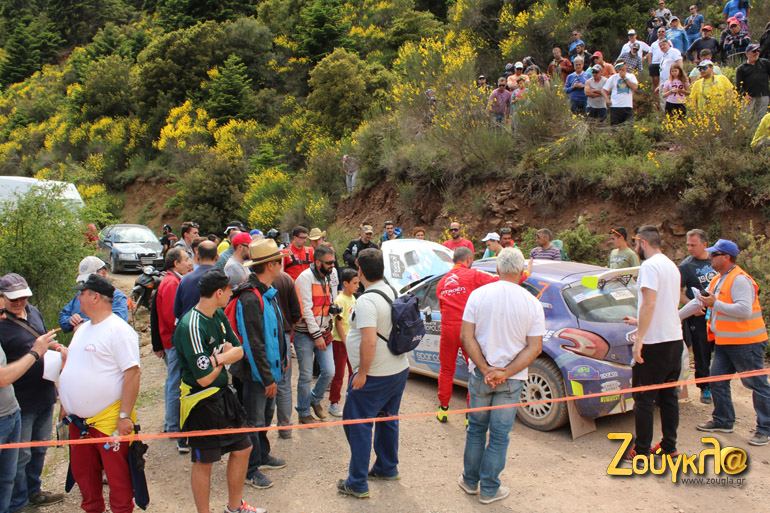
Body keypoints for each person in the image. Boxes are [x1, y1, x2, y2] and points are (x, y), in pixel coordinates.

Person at [173, 269, 265, 513]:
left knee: (243, 447)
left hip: (223, 392)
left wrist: (218, 359)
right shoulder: (191, 325)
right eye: (229, 290)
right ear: (219, 292)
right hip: (200, 401)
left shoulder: (219, 315)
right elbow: (203, 379)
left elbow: (239, 350)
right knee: (204, 461)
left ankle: (234, 507)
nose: (231, 294)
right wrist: (224, 359)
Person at [458, 247, 544, 504]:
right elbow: (535, 347)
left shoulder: (478, 295)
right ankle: (489, 489)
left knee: (476, 430)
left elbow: (466, 336)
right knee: (498, 435)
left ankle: (470, 481)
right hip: (512, 380)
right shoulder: (532, 302)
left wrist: (485, 369)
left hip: (480, 377)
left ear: (497, 269)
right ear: (521, 272)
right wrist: (505, 372)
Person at [58, 274, 141, 513]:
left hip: (109, 421)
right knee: (85, 477)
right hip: (79, 421)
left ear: (95, 296)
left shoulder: (119, 330)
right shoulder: (82, 329)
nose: (78, 297)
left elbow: (133, 373)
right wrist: (66, 402)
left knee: (118, 479)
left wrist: (125, 415)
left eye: (81, 293)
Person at [337, 249, 410, 499]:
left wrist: (362, 373)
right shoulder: (391, 290)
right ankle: (387, 467)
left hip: (375, 374)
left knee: (358, 424)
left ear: (360, 270)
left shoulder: (367, 301)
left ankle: (357, 482)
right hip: (398, 368)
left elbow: (368, 340)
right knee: (388, 419)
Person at [694, 239, 770, 446]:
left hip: (747, 343)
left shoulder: (739, 280)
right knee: (717, 380)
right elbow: (711, 301)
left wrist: (715, 303)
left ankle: (765, 428)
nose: (710, 257)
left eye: (714, 255)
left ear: (726, 257)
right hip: (726, 341)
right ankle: (723, 420)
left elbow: (744, 310)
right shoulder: (719, 279)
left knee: (757, 384)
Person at [0, 274, 64, 511]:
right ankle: (19, 501)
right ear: (3, 298)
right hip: (20, 399)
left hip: (45, 393)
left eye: (23, 297)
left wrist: (58, 347)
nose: (19, 302)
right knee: (19, 457)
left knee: (39, 447)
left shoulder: (34, 312)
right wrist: (37, 352)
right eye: (14, 298)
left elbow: (43, 340)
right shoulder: (1, 325)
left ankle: (34, 491)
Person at [230, 239, 289, 490]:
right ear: (272, 265)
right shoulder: (250, 298)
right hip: (256, 375)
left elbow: (276, 332)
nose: (283, 263)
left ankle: (262, 454)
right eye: (280, 260)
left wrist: (283, 361)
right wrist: (266, 378)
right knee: (253, 420)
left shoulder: (267, 292)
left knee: (265, 416)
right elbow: (253, 345)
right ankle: (250, 469)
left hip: (271, 370)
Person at [623, 226, 683, 462]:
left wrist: (639, 339)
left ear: (642, 242)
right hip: (674, 339)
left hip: (655, 343)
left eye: (636, 243)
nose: (636, 247)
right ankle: (669, 446)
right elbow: (668, 303)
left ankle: (642, 448)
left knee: (644, 399)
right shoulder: (670, 264)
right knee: (669, 397)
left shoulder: (649, 266)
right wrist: (640, 321)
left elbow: (649, 303)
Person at [435, 247, 497, 422]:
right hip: (467, 329)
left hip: (448, 329)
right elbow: (501, 281)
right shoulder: (473, 275)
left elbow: (441, 307)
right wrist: (524, 274)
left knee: (446, 370)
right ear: (469, 259)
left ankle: (443, 409)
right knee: (474, 369)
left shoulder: (442, 282)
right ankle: (469, 415)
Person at [148, 247, 194, 455]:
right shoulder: (171, 284)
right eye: (185, 259)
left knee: (174, 381)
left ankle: (172, 423)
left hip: (171, 340)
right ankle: (174, 426)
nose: (188, 263)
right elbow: (170, 317)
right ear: (175, 263)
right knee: (175, 382)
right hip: (174, 342)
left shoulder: (173, 281)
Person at [294, 245, 336, 423]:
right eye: (328, 263)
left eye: (333, 262)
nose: (332, 266)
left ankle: (314, 400)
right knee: (305, 375)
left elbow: (331, 300)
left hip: (325, 330)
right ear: (317, 262)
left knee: (329, 371)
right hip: (304, 333)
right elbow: (306, 309)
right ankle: (303, 412)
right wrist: (316, 335)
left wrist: (333, 311)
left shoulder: (331, 275)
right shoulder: (304, 278)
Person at [678, 229, 717, 405]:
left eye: (693, 245)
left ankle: (721, 384)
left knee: (722, 351)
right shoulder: (686, 266)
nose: (689, 248)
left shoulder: (717, 260)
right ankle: (705, 387)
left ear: (705, 244)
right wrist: (691, 306)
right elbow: (678, 293)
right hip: (699, 316)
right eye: (687, 244)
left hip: (720, 314)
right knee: (702, 352)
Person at [59, 256, 129, 331]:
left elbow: (117, 325)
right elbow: (63, 317)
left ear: (103, 273)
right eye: (85, 280)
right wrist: (70, 320)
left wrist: (83, 324)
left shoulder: (117, 297)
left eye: (90, 278)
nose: (87, 283)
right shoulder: (81, 295)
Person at [272, 270, 301, 439]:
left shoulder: (251, 279)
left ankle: (259, 432)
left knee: (265, 382)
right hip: (283, 333)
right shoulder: (286, 279)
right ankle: (285, 427)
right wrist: (291, 331)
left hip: (265, 335)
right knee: (283, 383)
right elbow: (296, 312)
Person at [328, 268, 359, 418]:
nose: (357, 286)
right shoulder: (340, 300)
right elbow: (338, 323)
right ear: (345, 283)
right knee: (339, 374)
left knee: (354, 373)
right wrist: (346, 341)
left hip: (351, 341)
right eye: (354, 283)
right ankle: (334, 402)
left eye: (358, 282)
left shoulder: (354, 298)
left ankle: (351, 400)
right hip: (340, 342)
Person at [174, 240, 219, 320]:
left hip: (187, 326)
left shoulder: (185, 279)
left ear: (197, 255)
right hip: (212, 327)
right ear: (217, 256)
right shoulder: (222, 278)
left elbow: (177, 311)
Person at [736, 43, 770, 122]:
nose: (757, 53)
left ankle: (760, 134)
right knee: (747, 120)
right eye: (754, 51)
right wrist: (744, 95)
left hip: (764, 96)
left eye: (758, 50)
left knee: (761, 119)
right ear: (747, 53)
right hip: (749, 98)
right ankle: (748, 134)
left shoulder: (765, 63)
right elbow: (738, 86)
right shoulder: (741, 68)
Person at [603, 61, 639, 125]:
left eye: (623, 65)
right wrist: (607, 100)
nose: (622, 67)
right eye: (620, 66)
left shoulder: (631, 76)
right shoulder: (613, 77)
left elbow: (635, 88)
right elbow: (603, 90)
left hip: (627, 106)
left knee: (628, 127)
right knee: (615, 128)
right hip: (615, 107)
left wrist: (624, 78)